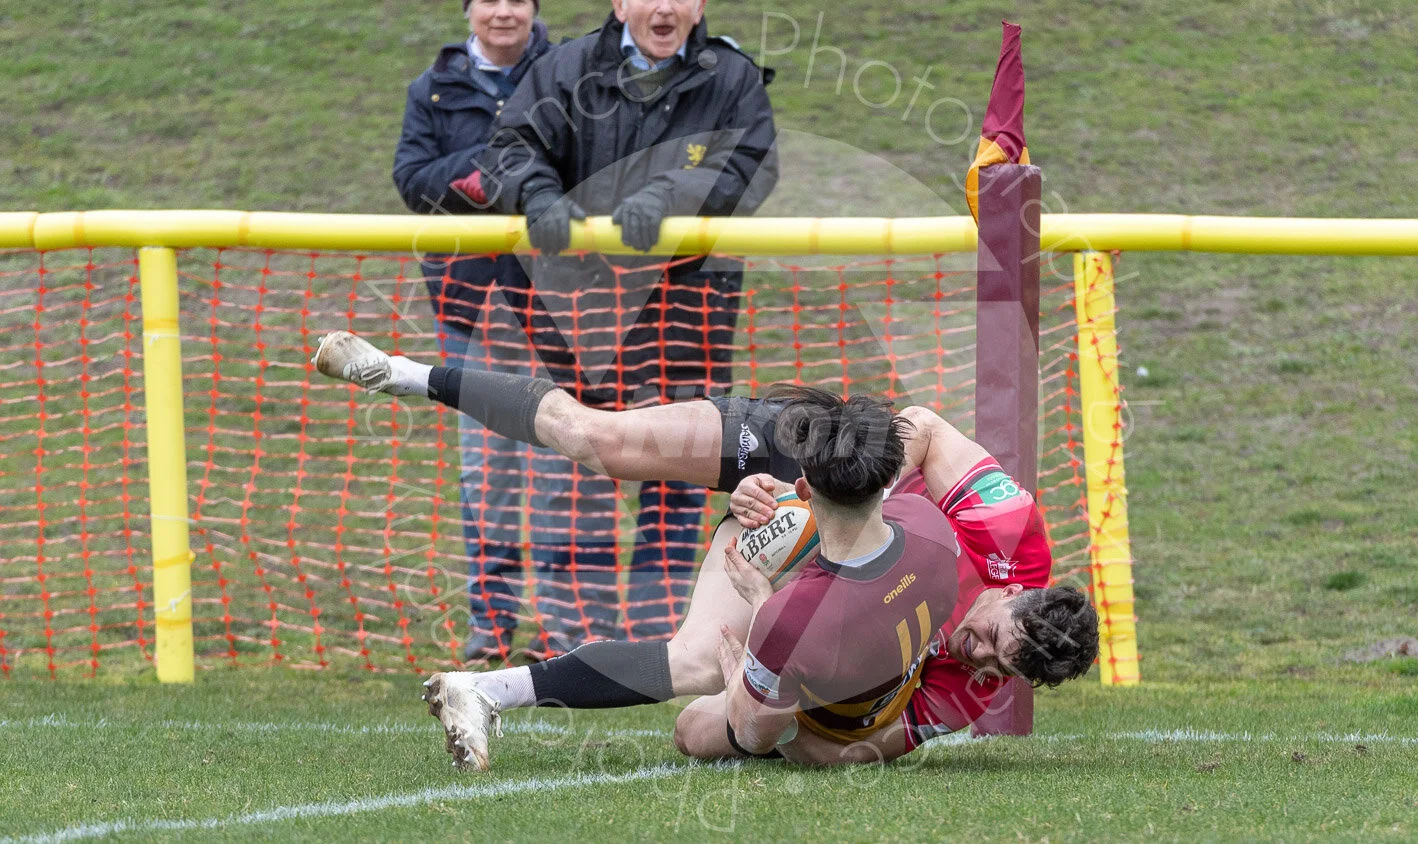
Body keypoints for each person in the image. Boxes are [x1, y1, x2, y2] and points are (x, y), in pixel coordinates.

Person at [311, 331, 1099, 767]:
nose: (977, 654)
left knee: (697, 662)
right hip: (821, 459)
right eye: (992, 637)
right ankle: (404, 373)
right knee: (598, 439)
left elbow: (857, 750)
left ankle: (484, 693)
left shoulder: (971, 692)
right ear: (1015, 591)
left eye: (998, 668)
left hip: (792, 572)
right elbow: (921, 424)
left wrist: (772, 700)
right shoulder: (1006, 530)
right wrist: (828, 505)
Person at [472, 0, 781, 646]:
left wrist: (673, 196)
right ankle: (576, 633)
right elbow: (512, 145)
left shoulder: (732, 78)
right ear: (620, 4)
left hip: (687, 306)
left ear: (700, 6)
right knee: (577, 460)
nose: (664, 7)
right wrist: (535, 193)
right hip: (579, 306)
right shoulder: (567, 69)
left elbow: (751, 166)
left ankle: (659, 631)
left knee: (681, 465)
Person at [391, 0, 554, 661]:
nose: (503, 11)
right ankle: (491, 631)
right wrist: (485, 173)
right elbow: (412, 179)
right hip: (469, 309)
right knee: (487, 476)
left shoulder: (567, 72)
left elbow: (575, 170)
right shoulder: (430, 87)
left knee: (560, 474)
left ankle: (566, 631)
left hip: (556, 312)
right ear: (469, 11)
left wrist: (528, 179)